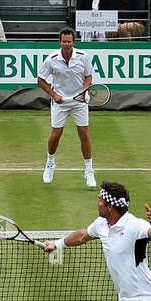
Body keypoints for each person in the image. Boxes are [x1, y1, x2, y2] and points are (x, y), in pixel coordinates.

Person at [36, 28, 95, 187]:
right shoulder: (51, 59)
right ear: (60, 42)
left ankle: (89, 170)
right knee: (55, 135)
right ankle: (50, 163)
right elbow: (41, 80)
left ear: (73, 42)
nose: (67, 44)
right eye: (64, 41)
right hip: (59, 102)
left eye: (69, 41)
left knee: (84, 134)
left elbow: (89, 77)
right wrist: (54, 95)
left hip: (79, 102)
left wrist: (83, 91)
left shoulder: (83, 57)